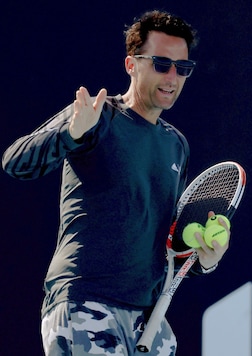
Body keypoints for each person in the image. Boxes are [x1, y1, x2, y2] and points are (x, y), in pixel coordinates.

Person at [2, 10, 230, 355]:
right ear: (131, 65)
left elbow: (167, 245)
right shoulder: (97, 115)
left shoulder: (176, 145)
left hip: (147, 321)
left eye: (182, 68)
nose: (172, 77)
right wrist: (71, 133)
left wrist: (207, 258)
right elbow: (16, 162)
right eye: (161, 64)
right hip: (85, 304)